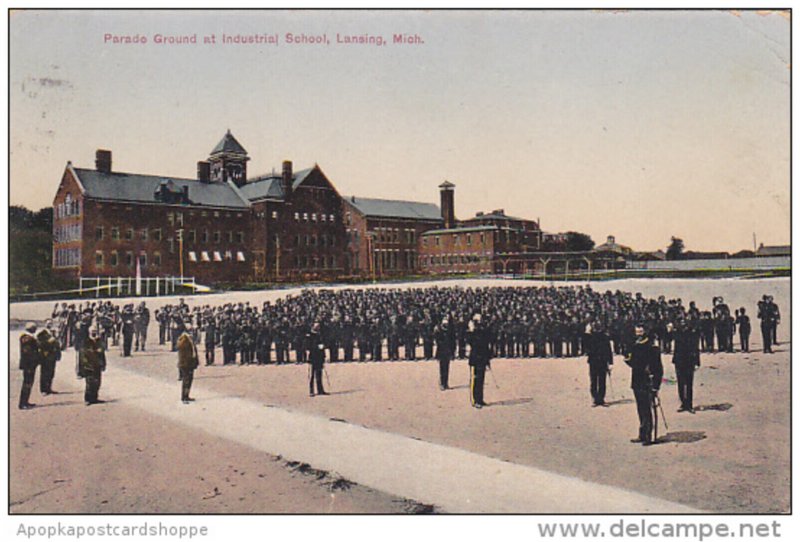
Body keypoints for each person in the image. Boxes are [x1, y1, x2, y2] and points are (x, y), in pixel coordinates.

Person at [624, 325, 663, 445]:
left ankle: (648, 436)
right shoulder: (635, 345)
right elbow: (631, 362)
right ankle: (642, 434)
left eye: (641, 332)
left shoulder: (652, 347)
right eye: (637, 332)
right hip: (637, 381)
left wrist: (656, 385)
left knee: (647, 409)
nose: (639, 334)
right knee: (640, 409)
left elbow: (658, 368)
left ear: (645, 332)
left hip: (648, 382)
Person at [672, 319, 700, 413]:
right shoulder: (677, 333)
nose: (683, 325)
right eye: (682, 323)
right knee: (680, 384)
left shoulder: (692, 334)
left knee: (689, 384)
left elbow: (696, 348)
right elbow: (668, 337)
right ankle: (683, 404)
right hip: (679, 361)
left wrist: (697, 362)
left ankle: (689, 404)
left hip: (689, 361)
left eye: (685, 324)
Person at [585, 323, 613, 407]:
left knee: (600, 380)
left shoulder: (604, 337)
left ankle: (600, 399)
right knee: (595, 380)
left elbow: (608, 350)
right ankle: (596, 399)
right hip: (596, 361)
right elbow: (586, 347)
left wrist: (610, 362)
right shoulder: (590, 337)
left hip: (601, 361)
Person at [467, 314, 491, 409]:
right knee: (475, 380)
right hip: (475, 360)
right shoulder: (472, 333)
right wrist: (471, 331)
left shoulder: (483, 332)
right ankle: (475, 400)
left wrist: (487, 360)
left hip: (482, 359)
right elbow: (470, 342)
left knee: (481, 380)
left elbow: (486, 346)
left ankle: (480, 399)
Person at [79, 327, 107, 405]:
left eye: (95, 331)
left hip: (97, 365)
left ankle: (94, 398)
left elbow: (102, 353)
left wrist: (103, 364)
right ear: (89, 332)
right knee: (89, 383)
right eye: (92, 331)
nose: (94, 333)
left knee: (97, 382)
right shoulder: (86, 342)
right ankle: (88, 399)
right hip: (89, 365)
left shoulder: (98, 341)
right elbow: (83, 354)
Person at [19, 322, 41, 410]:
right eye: (34, 328)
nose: (35, 329)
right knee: (27, 383)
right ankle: (23, 403)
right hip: (28, 364)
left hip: (29, 364)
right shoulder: (27, 338)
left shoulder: (28, 338)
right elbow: (28, 352)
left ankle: (25, 401)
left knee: (28, 383)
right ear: (31, 329)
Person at [37, 319, 62, 395]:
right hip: (45, 356)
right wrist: (49, 342)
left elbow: (57, 343)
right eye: (48, 323)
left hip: (53, 356)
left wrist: (58, 354)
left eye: (51, 323)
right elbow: (40, 344)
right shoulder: (41, 333)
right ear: (45, 324)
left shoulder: (54, 332)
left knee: (51, 373)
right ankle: (43, 390)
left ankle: (49, 388)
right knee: (44, 373)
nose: (49, 325)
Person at [177, 323, 199, 404]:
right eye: (191, 330)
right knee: (186, 380)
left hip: (190, 363)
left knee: (189, 379)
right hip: (185, 363)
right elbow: (183, 350)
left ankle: (187, 395)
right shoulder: (184, 338)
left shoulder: (189, 338)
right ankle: (184, 397)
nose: (192, 331)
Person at [434, 317, 455, 390]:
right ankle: (442, 383)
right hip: (441, 352)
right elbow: (437, 341)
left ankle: (446, 383)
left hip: (448, 352)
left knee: (447, 368)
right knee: (442, 368)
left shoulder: (449, 332)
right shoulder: (439, 331)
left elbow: (453, 342)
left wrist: (452, 353)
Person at [307, 322, 328, 396]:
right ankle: (311, 391)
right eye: (316, 326)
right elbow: (308, 346)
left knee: (319, 374)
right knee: (312, 375)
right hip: (313, 356)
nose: (318, 327)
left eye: (318, 326)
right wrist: (317, 347)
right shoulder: (310, 335)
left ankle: (320, 390)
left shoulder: (320, 334)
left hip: (320, 356)